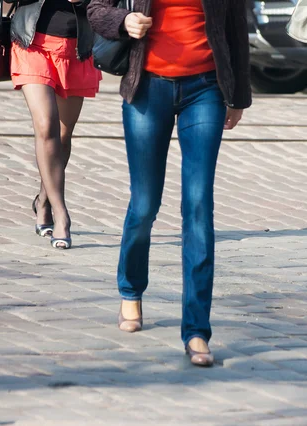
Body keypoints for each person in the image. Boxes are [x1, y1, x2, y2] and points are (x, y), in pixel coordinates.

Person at [87, 0, 251, 366]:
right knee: (144, 205)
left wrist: (238, 95)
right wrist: (124, 20)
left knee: (198, 205)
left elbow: (237, 25)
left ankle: (196, 330)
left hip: (205, 89)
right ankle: (131, 290)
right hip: (148, 87)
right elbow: (96, 9)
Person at [5, 0, 102, 249]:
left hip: (76, 49)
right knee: (46, 126)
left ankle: (44, 201)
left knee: (62, 134)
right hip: (32, 45)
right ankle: (61, 214)